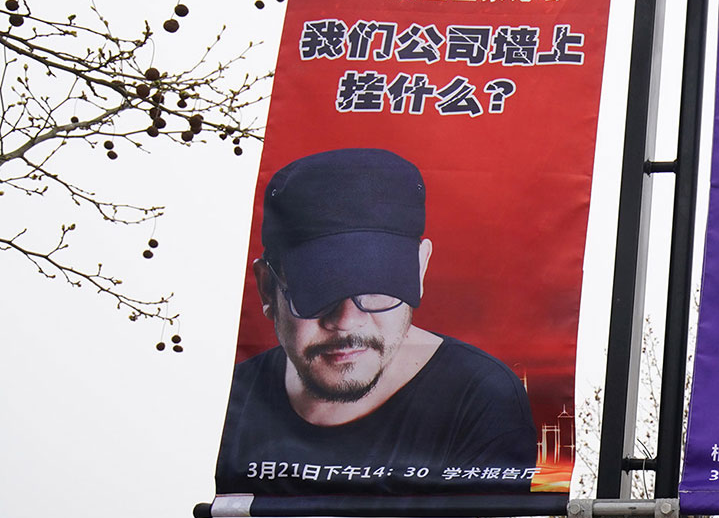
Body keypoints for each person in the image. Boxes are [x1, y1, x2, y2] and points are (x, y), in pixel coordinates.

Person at [214, 148, 535, 497]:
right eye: (317, 290)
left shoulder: (484, 401)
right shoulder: (234, 399)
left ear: (420, 270)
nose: (347, 321)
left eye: (378, 286)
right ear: (267, 287)